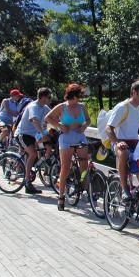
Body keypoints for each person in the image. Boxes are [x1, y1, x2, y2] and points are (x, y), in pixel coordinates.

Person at [45, 83, 91, 211]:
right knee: (65, 167)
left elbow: (88, 120)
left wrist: (85, 126)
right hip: (66, 138)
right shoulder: (62, 107)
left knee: (84, 165)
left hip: (80, 136)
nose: (80, 99)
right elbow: (47, 118)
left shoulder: (82, 107)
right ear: (73, 95)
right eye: (79, 96)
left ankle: (85, 191)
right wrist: (59, 125)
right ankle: (61, 197)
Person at [106, 80, 139, 201]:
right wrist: (117, 142)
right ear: (134, 92)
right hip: (120, 141)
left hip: (134, 142)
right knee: (124, 153)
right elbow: (109, 129)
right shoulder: (122, 107)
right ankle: (125, 190)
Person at [15, 87, 52, 194]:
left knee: (49, 146)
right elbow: (34, 121)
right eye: (49, 97)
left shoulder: (44, 107)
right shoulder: (33, 106)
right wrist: (42, 133)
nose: (50, 99)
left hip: (34, 135)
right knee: (33, 154)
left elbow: (54, 116)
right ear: (43, 97)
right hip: (23, 134)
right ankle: (27, 182)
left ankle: (40, 166)